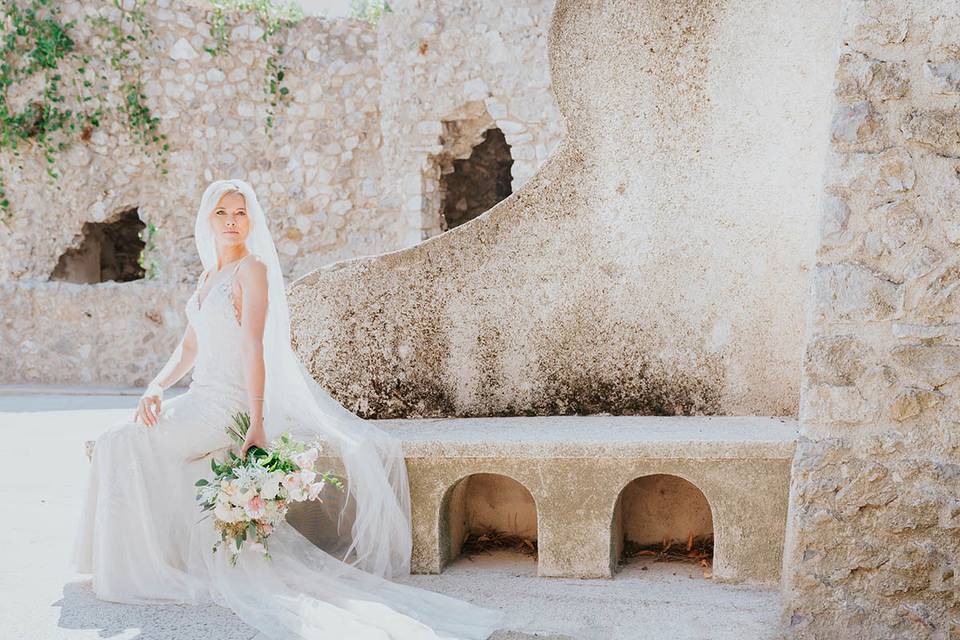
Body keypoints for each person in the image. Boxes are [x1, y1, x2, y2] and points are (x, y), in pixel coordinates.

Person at [70, 178, 505, 639]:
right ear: (208, 219)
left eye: (240, 212)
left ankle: (143, 570)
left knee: (122, 441)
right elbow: (191, 345)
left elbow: (253, 347)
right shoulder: (207, 275)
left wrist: (256, 422)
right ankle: (146, 561)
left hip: (226, 407)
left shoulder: (251, 270)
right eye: (222, 213)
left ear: (251, 219)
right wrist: (155, 385)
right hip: (196, 397)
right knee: (121, 438)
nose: (232, 221)